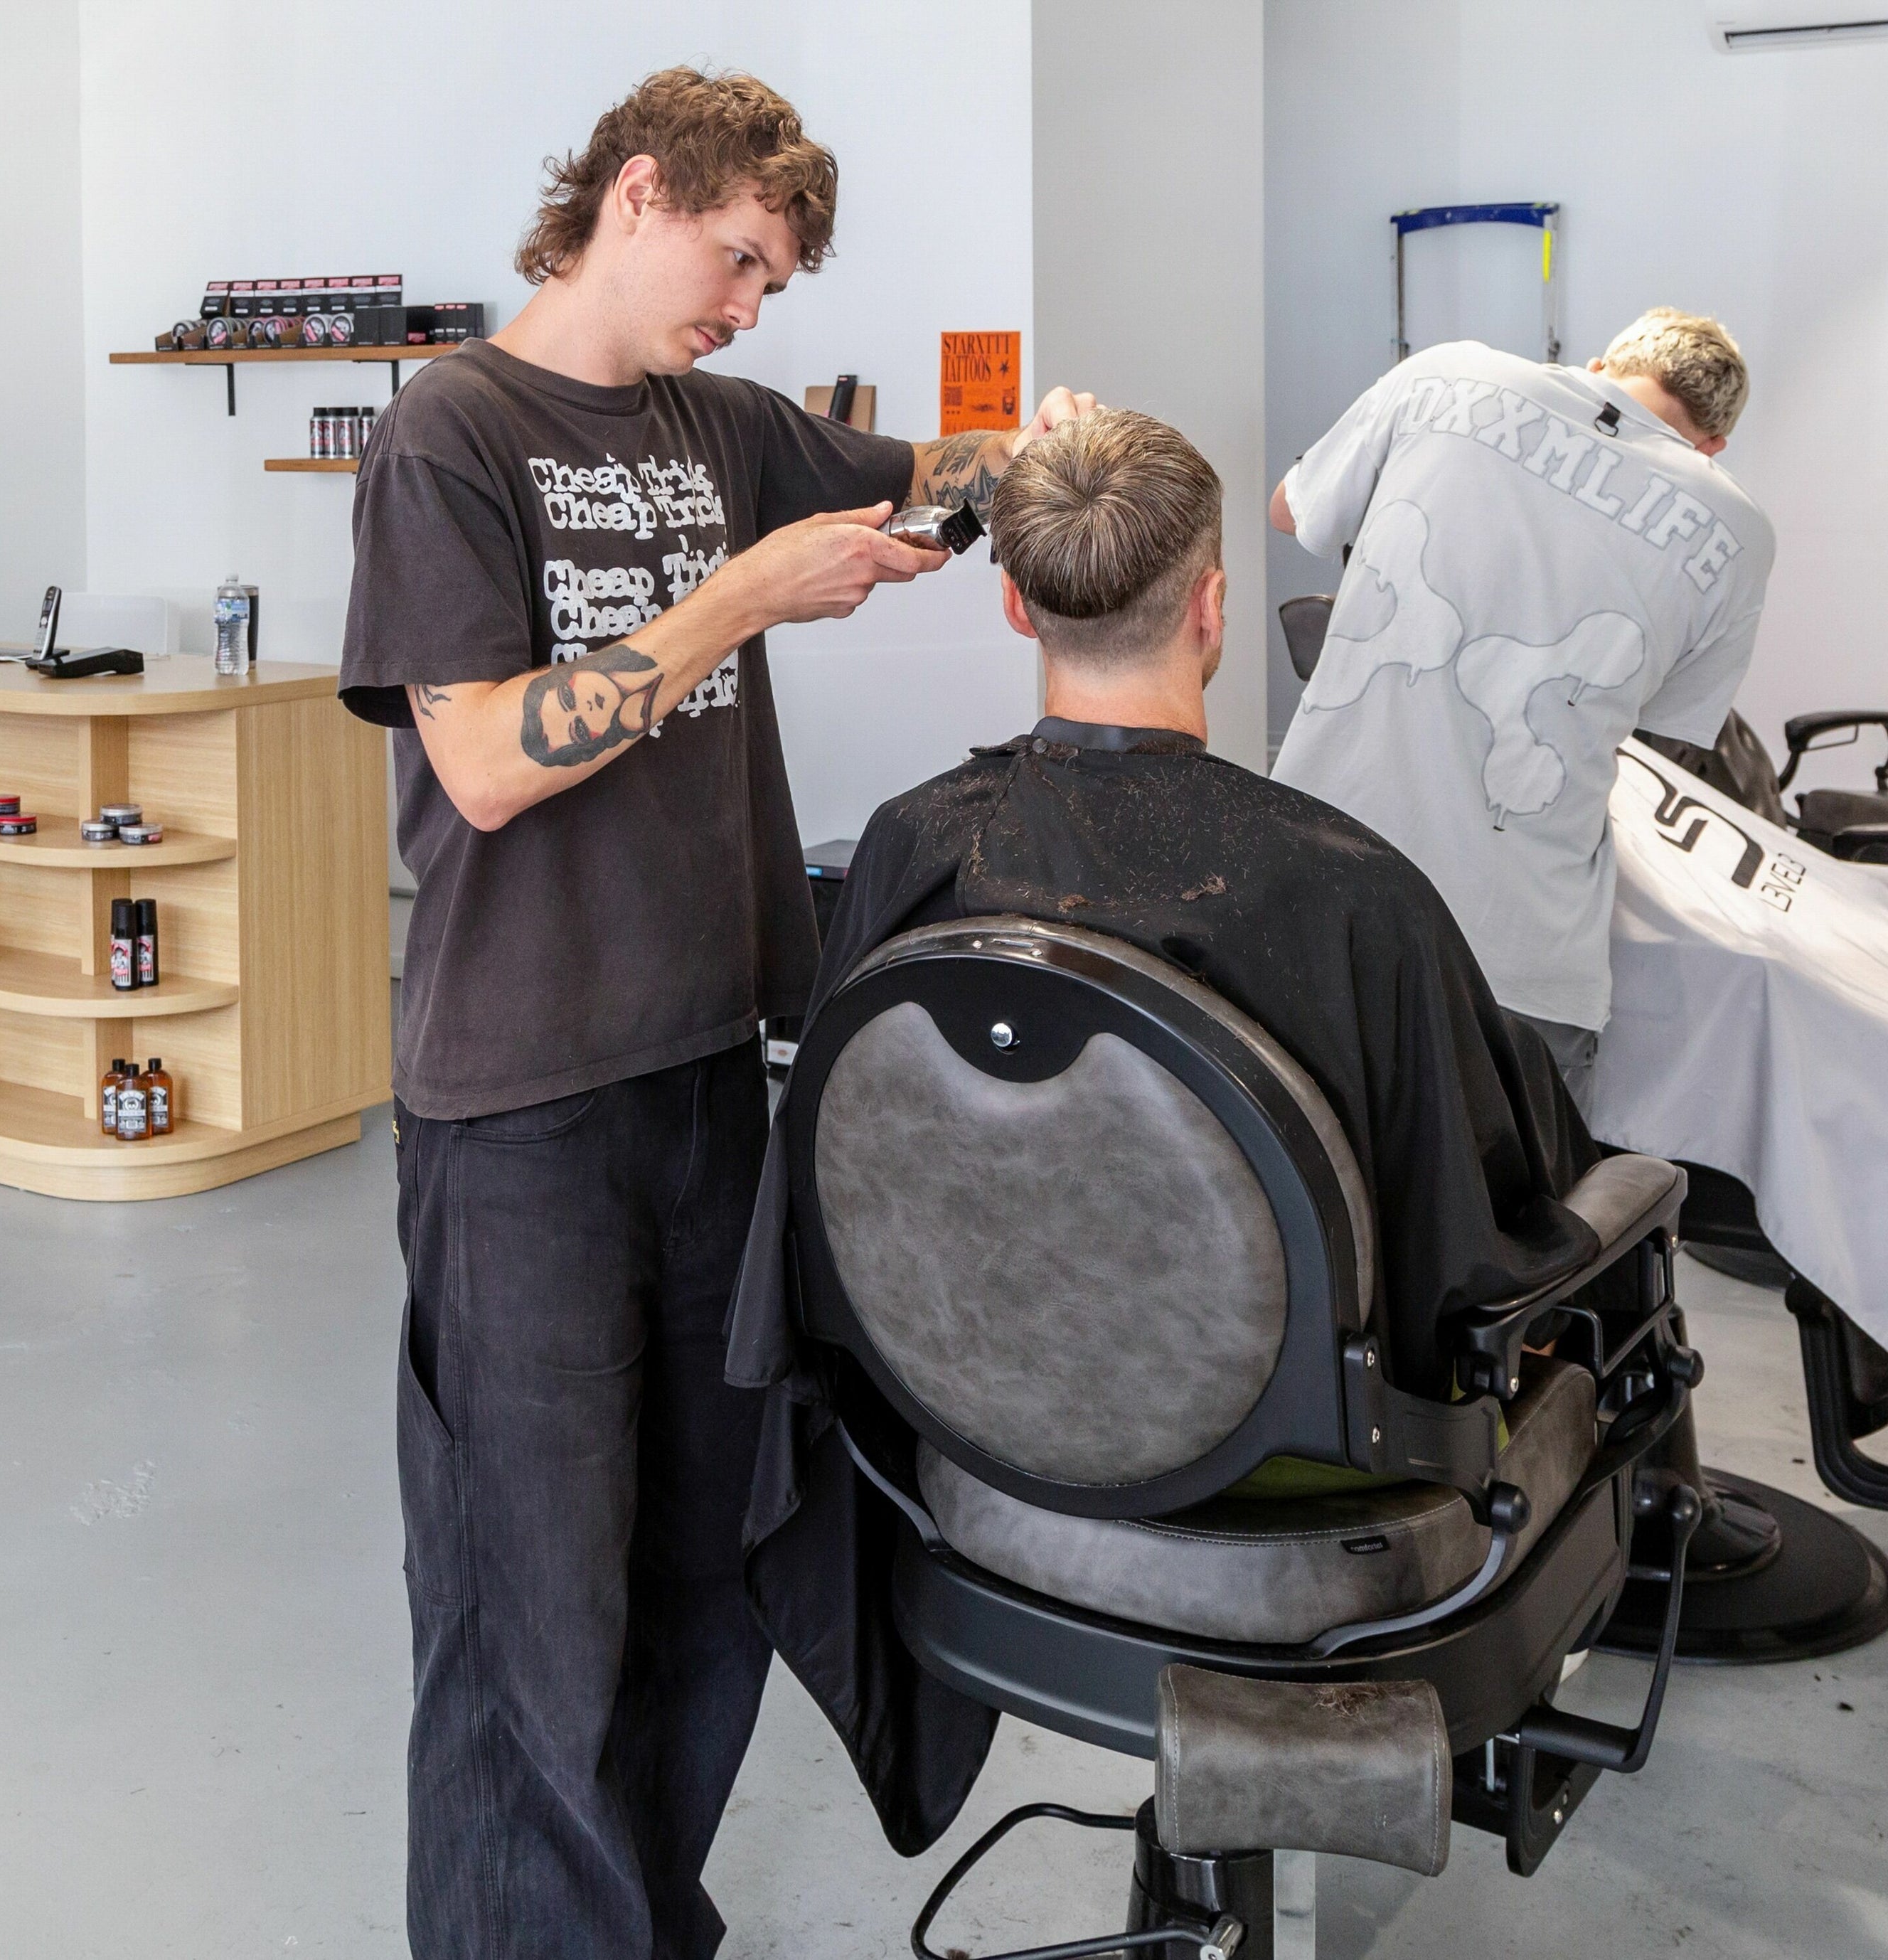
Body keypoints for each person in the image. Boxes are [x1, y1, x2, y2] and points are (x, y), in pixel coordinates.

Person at [337, 66, 1092, 1960]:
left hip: (707, 1082)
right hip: (516, 1108)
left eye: (776, 282)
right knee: (534, 1606)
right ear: (640, 193)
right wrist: (739, 597)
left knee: (700, 1569)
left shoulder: (719, 421)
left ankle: (635, 1925)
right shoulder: (451, 432)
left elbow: (931, 476)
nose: (753, 306)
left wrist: (1037, 451)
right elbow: (491, 761)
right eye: (740, 259)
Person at [724, 409, 1611, 1853]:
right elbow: (1475, 1251)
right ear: (1212, 609)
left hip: (987, 1447)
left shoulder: (907, 844)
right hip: (1303, 1484)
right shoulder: (1346, 891)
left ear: (1014, 602)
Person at [1269, 309, 1771, 1110]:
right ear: (1713, 447)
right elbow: (1664, 727)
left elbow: (1292, 510)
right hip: (1522, 962)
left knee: (1310, 1203)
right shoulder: (1738, 529)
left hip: (1318, 910)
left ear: (1603, 362)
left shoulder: (1447, 372)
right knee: (1514, 1224)